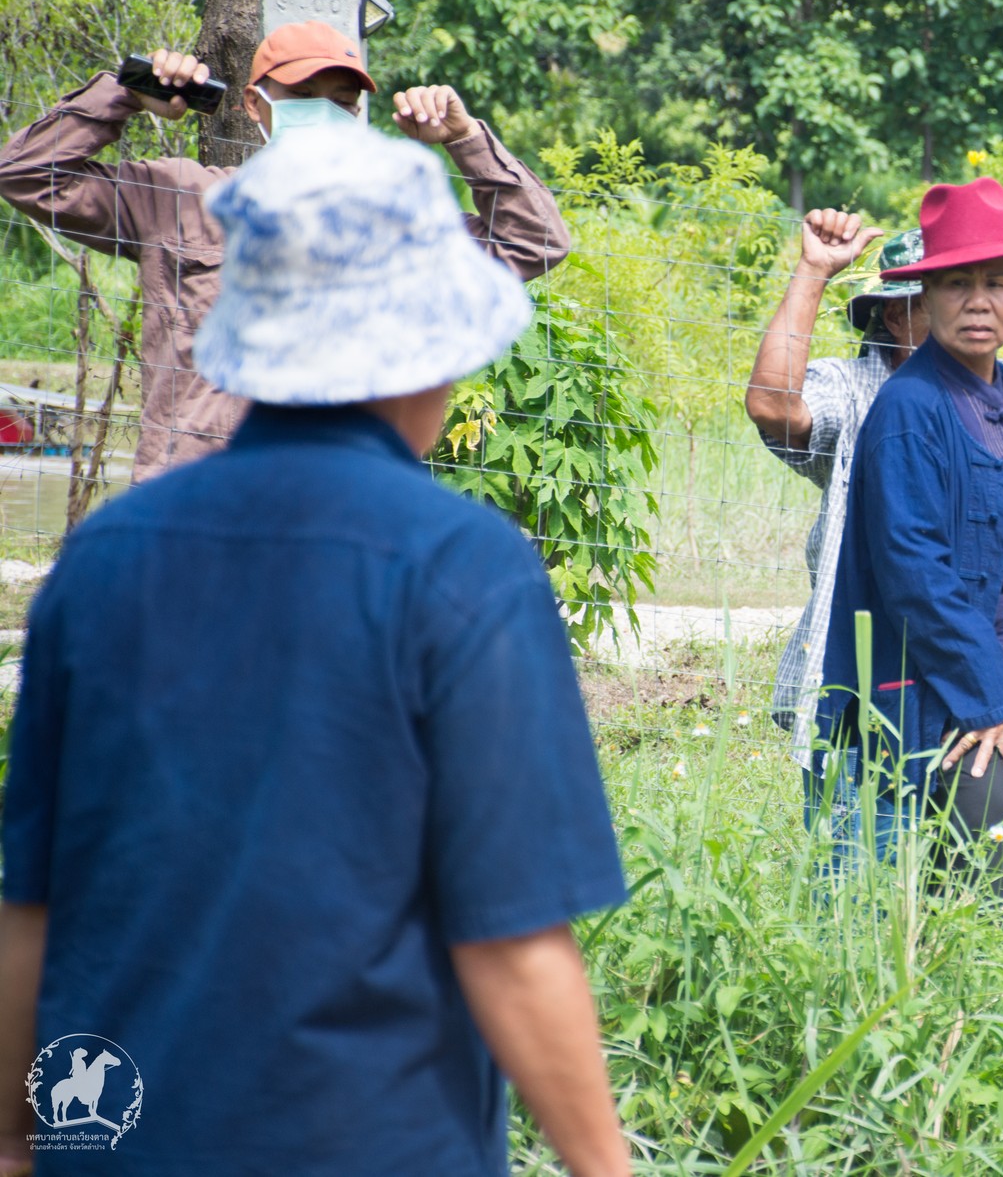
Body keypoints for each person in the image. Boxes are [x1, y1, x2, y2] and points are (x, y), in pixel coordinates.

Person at [0, 124, 629, 1177]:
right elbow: (512, 941)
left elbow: (31, 897)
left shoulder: (103, 557)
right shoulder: (462, 566)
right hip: (367, 1140)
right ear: (435, 344)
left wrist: (14, 1141)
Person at [0, 22, 571, 479]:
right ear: (255, 102)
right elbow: (26, 175)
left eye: (342, 102)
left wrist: (466, 140)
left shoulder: (388, 223)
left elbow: (534, 242)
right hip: (195, 487)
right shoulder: (179, 196)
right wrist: (125, 92)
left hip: (335, 491)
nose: (323, 111)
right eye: (301, 95)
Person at [745, 194, 1003, 836]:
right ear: (900, 311)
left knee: (967, 868)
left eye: (995, 283)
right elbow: (774, 407)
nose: (974, 304)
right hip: (887, 681)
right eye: (948, 288)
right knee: (873, 861)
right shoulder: (867, 393)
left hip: (988, 677)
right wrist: (813, 271)